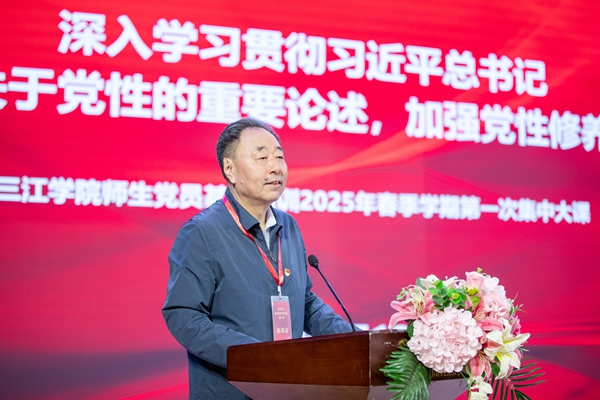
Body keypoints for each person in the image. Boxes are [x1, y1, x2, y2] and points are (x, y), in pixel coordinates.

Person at [162, 117, 353, 399]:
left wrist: (356, 339)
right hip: (231, 390)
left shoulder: (288, 226)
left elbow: (304, 303)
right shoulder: (202, 232)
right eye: (262, 158)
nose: (275, 167)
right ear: (230, 169)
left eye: (279, 157)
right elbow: (184, 316)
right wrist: (253, 357)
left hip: (286, 389)